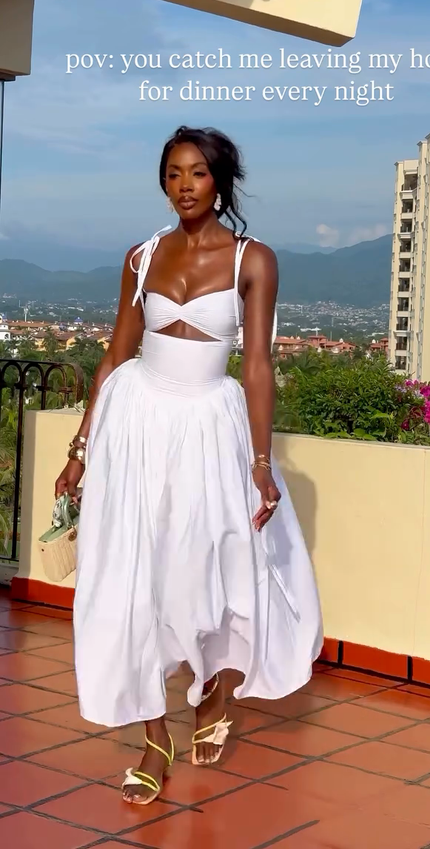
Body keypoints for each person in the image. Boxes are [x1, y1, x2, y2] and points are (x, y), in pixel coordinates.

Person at [55, 125, 323, 806]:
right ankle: (154, 738)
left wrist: (260, 463)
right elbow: (115, 354)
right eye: (173, 173)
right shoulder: (141, 256)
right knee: (131, 580)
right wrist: (80, 448)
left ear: (220, 182)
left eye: (197, 173)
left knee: (211, 569)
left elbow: (257, 365)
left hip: (209, 426)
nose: (183, 185)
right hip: (135, 423)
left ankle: (216, 689)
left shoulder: (252, 260)